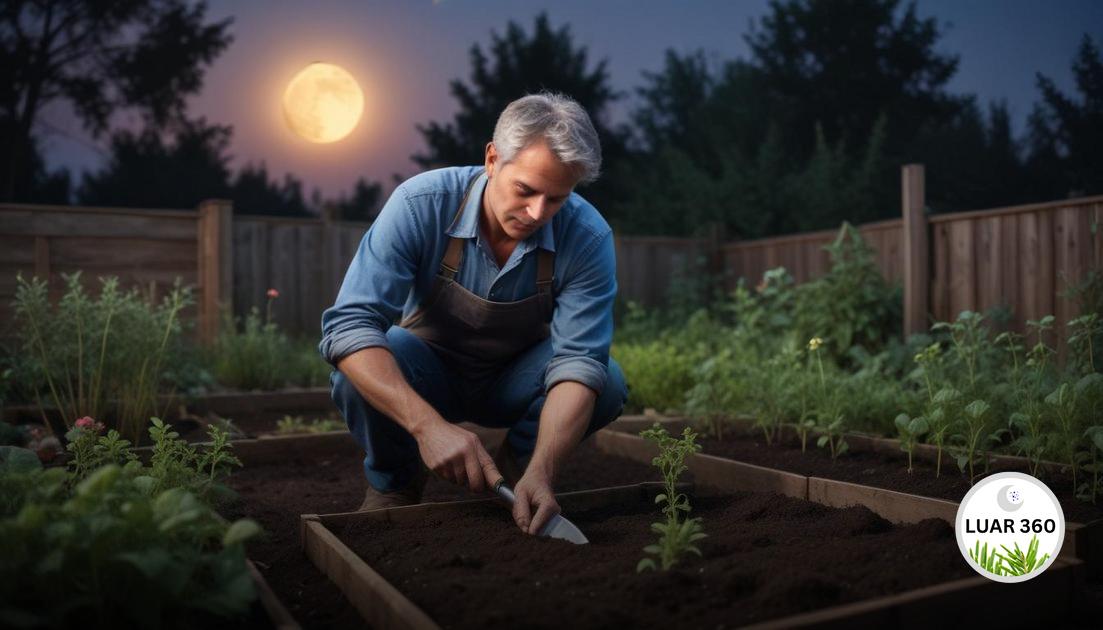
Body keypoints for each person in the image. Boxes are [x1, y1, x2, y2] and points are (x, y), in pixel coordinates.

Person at [319, 92, 627, 536]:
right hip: (426, 372)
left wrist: (546, 468)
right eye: (525, 190)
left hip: (514, 380)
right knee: (363, 360)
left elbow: (579, 361)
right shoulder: (420, 204)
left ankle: (522, 473)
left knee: (606, 379)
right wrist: (427, 427)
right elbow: (349, 326)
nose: (537, 213)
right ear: (492, 158)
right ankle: (396, 484)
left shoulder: (588, 237)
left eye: (556, 199)